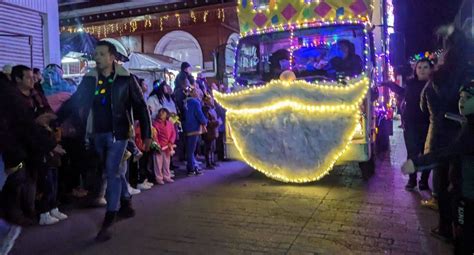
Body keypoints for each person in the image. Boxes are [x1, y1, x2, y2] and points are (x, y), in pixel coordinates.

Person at [56, 40, 152, 242]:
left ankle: (109, 218)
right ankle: (126, 202)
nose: (97, 57)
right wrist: (55, 119)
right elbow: (75, 101)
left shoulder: (126, 79)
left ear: (112, 57)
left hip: (119, 134)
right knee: (114, 171)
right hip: (95, 133)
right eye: (96, 54)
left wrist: (147, 133)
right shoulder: (89, 79)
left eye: (101, 54)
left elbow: (141, 107)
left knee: (111, 171)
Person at [402, 81, 474, 254]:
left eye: (468, 98)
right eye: (461, 97)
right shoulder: (466, 123)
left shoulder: (471, 130)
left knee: (463, 238)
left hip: (468, 195)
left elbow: (448, 152)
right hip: (463, 189)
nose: (462, 102)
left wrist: (417, 163)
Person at [420, 27, 474, 242]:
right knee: (461, 187)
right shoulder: (469, 74)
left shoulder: (436, 78)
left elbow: (424, 107)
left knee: (441, 185)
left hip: (440, 137)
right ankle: (462, 228)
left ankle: (445, 227)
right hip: (465, 137)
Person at [381, 59, 433, 191]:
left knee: (426, 153)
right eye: (419, 67)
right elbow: (403, 93)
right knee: (412, 153)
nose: (421, 70)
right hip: (411, 124)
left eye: (425, 67)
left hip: (428, 124)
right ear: (415, 69)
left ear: (431, 69)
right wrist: (390, 85)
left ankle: (424, 181)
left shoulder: (434, 85)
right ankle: (412, 180)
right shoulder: (411, 83)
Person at [183, 86, 207, 176]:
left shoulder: (185, 102)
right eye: (196, 92)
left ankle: (192, 167)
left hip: (187, 127)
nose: (198, 94)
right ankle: (191, 169)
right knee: (191, 150)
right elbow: (199, 114)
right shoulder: (195, 102)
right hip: (194, 127)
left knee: (189, 149)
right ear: (192, 93)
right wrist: (205, 122)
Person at [152, 108, 176, 184]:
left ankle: (167, 176)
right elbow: (154, 135)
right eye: (160, 112)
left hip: (168, 146)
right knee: (158, 163)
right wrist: (158, 144)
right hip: (159, 146)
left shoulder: (169, 123)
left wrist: (171, 142)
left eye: (163, 112)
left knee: (167, 162)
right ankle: (159, 178)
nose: (161, 114)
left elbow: (173, 133)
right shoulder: (155, 124)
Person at [202, 95, 221, 169]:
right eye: (210, 100)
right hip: (209, 131)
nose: (212, 101)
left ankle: (212, 161)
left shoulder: (212, 108)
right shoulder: (205, 109)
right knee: (208, 147)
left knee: (212, 147)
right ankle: (208, 163)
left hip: (213, 130)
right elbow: (207, 122)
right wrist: (216, 122)